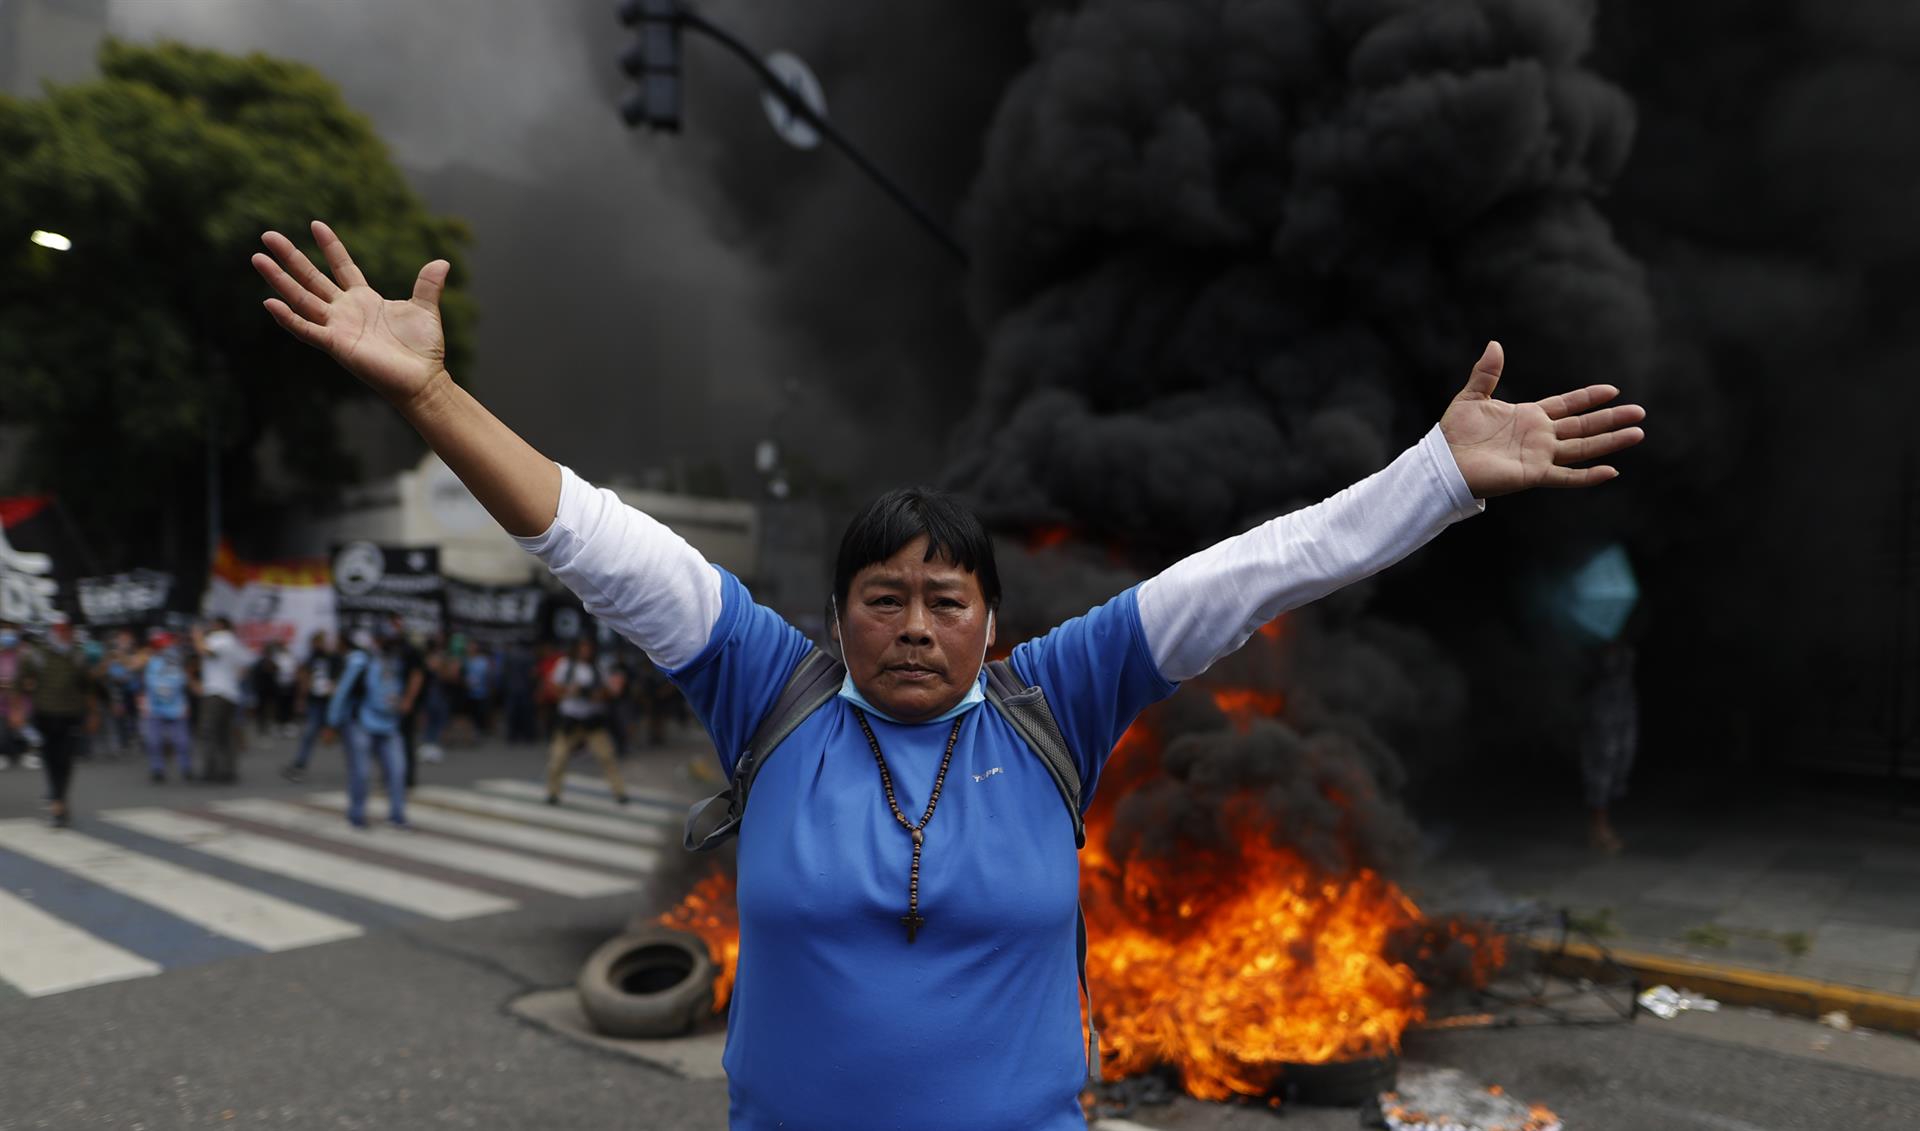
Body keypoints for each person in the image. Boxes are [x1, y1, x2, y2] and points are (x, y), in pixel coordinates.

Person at [255, 220, 1645, 1131]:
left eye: (947, 598)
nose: (915, 624)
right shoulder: (764, 685)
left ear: (990, 621)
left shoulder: (1061, 698)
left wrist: (1436, 475)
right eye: (884, 597)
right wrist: (428, 396)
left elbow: (1255, 570)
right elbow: (587, 535)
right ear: (839, 617)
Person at [326, 624, 410, 829]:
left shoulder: (396, 662)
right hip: (361, 724)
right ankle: (357, 815)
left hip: (389, 725)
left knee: (398, 771)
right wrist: (332, 722)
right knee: (361, 773)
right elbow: (342, 692)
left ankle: (397, 815)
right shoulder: (360, 660)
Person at [19, 615, 96, 827]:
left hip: (71, 715)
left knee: (65, 760)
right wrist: (16, 709)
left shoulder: (78, 656)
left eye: (66, 629)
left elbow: (89, 687)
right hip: (44, 715)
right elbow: (19, 680)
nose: (63, 633)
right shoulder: (37, 655)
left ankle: (58, 800)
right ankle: (57, 800)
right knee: (50, 759)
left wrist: (92, 714)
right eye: (59, 629)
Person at [543, 635, 630, 806]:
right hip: (570, 719)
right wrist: (571, 690)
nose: (585, 651)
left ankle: (619, 792)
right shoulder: (566, 665)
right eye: (582, 647)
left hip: (592, 721)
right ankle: (553, 793)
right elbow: (553, 687)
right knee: (557, 759)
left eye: (588, 648)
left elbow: (609, 692)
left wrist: (595, 694)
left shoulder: (598, 666)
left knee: (607, 757)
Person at [1582, 640, 1639, 854]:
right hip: (1601, 706)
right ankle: (1599, 826)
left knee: (1623, 756)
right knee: (1602, 760)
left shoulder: (1624, 634)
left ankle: (1603, 820)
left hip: (1624, 702)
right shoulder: (1590, 642)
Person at [192, 616, 252, 783]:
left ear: (220, 625)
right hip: (231, 693)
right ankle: (228, 771)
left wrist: (196, 636)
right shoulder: (235, 642)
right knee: (225, 734)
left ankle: (209, 771)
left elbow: (204, 651)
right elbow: (245, 667)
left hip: (216, 692)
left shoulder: (221, 639)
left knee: (208, 732)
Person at [282, 630, 342, 783]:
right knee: (309, 734)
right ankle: (299, 765)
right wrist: (302, 698)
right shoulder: (312, 658)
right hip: (316, 701)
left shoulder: (334, 658)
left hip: (332, 702)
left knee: (348, 736)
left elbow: (340, 677)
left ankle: (362, 766)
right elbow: (305, 678)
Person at [141, 631, 194, 783]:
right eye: (159, 645)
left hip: (177, 707)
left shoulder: (177, 660)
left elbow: (182, 681)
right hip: (155, 708)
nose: (162, 648)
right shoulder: (150, 662)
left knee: (182, 742)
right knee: (154, 742)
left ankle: (186, 768)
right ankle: (157, 769)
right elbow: (146, 680)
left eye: (164, 644)